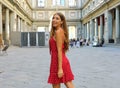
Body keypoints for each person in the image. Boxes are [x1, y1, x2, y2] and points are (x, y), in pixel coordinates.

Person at [48, 12, 75, 88]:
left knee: (68, 84)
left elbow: (59, 50)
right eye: (53, 18)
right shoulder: (56, 32)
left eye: (57, 18)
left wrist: (60, 68)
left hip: (60, 63)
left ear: (62, 21)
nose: (54, 20)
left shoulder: (58, 31)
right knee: (57, 85)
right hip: (56, 62)